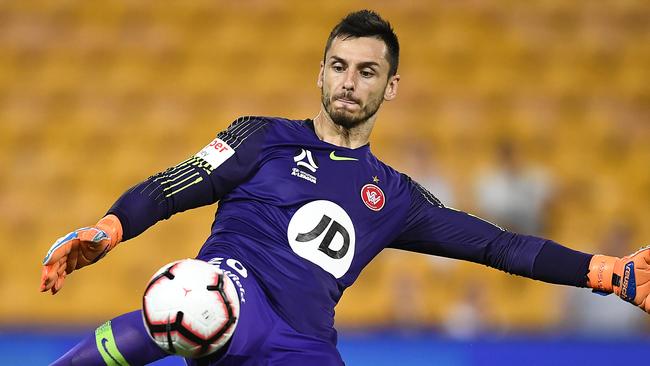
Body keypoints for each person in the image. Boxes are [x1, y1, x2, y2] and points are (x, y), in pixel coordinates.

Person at [40, 10, 649, 366]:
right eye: (338, 66)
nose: (348, 83)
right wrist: (111, 228)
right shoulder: (262, 138)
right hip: (231, 305)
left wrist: (606, 272)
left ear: (391, 88)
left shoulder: (395, 195)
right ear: (320, 71)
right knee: (185, 298)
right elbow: (172, 186)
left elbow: (496, 245)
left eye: (367, 72)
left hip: (304, 348)